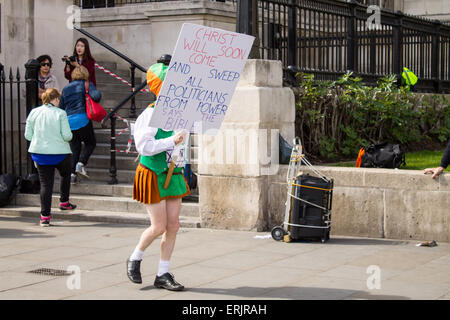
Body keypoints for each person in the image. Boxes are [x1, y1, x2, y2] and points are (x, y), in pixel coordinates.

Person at [126, 54, 191, 291]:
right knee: (159, 226)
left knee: (173, 225)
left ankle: (163, 274)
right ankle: (135, 257)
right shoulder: (151, 114)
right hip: (152, 172)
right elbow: (144, 147)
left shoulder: (181, 113)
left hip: (173, 172)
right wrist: (172, 141)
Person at [24, 88, 77, 227]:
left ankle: (45, 217)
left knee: (46, 185)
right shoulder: (61, 113)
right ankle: (64, 201)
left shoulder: (34, 112)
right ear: (54, 99)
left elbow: (28, 136)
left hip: (40, 153)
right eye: (58, 99)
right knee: (66, 173)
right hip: (59, 152)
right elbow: (67, 136)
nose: (59, 101)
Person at [59, 66, 101, 183]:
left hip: (69, 121)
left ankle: (72, 175)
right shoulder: (87, 84)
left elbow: (61, 107)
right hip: (83, 119)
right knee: (90, 143)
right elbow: (97, 97)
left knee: (75, 148)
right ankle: (81, 163)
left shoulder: (66, 88)